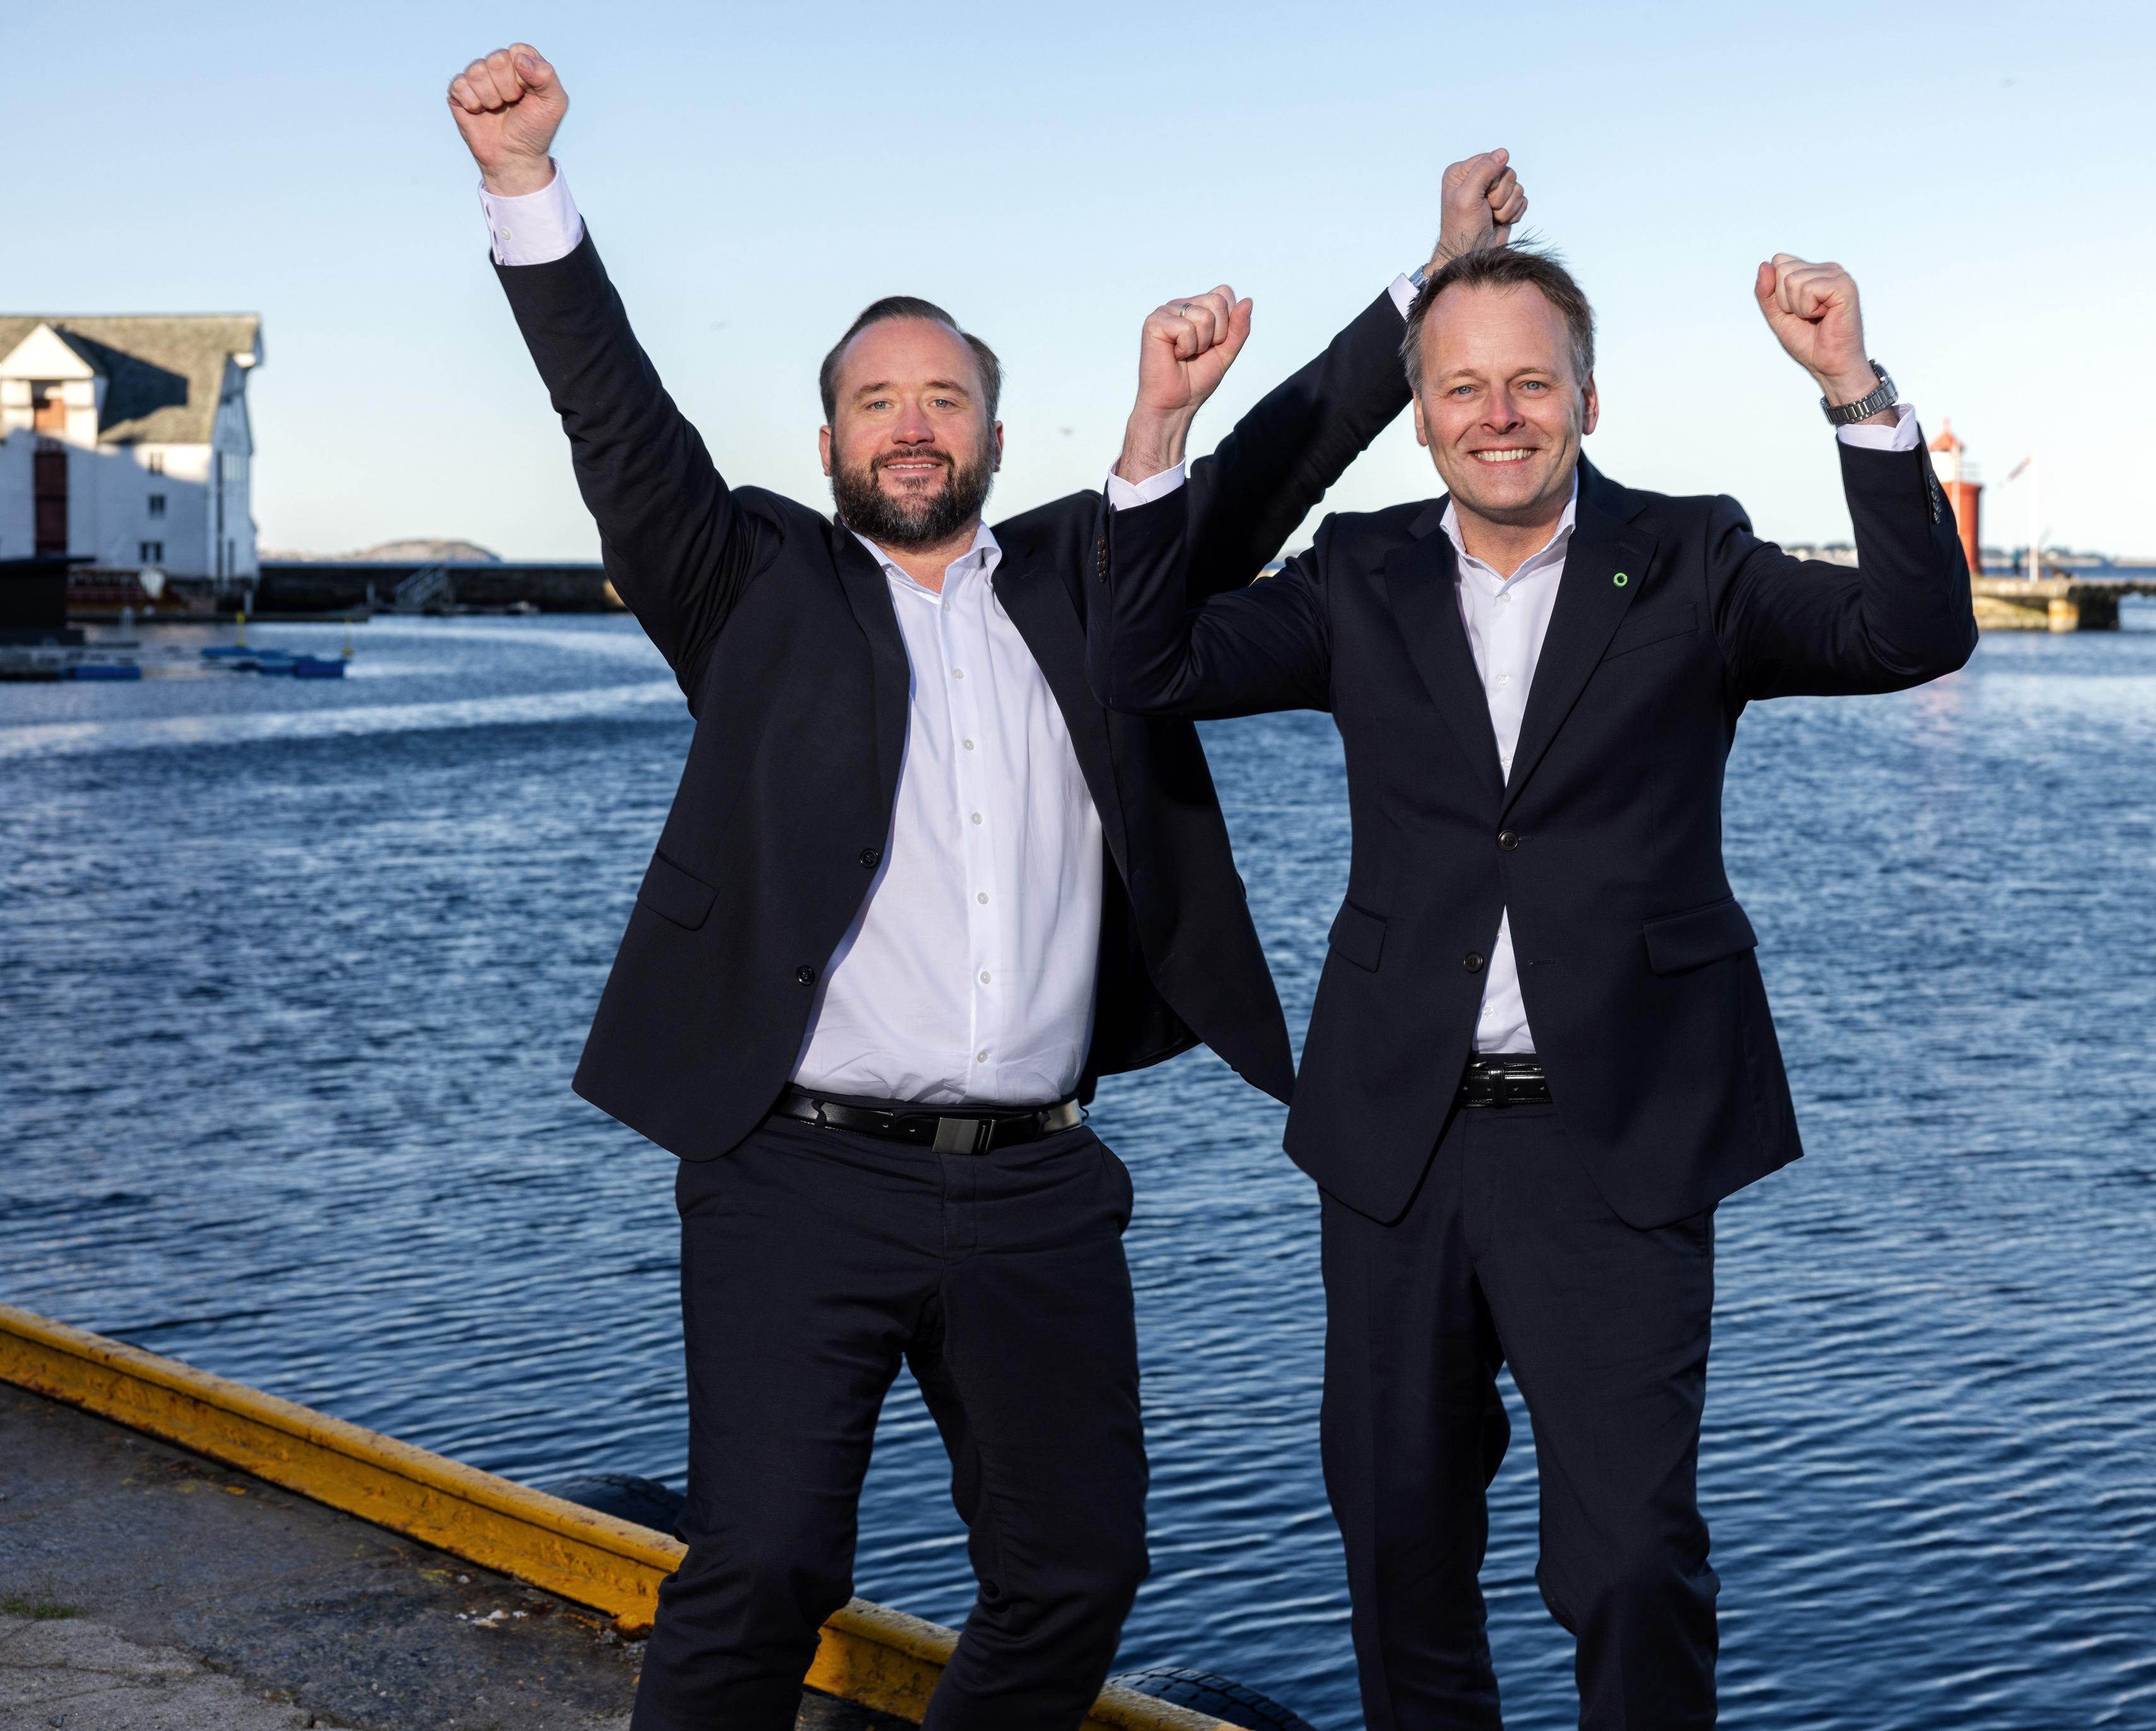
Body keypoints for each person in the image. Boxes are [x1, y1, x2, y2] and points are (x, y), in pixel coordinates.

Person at [444, 41, 1528, 1731]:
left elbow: (1271, 460)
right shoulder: (753, 589)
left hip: (1036, 1186)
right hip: (797, 1178)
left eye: (944, 397)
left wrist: (1441, 271)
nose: (914, 425)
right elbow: (615, 412)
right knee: (763, 1571)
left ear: (998, 432)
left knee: (1075, 1579)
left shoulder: (1092, 585)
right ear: (826, 439)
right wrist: (527, 185)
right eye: (878, 400)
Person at [1087, 242, 1975, 1726]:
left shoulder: (1692, 558)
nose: (1500, 414)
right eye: (1463, 389)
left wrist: (1851, 390)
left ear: (1588, 398)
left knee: (1630, 1562)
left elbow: (1914, 633)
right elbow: (1142, 667)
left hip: (1614, 1140)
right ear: (1424, 417)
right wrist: (1158, 433)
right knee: (1399, 1545)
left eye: (1530, 382)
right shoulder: (1358, 572)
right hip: (1400, 1138)